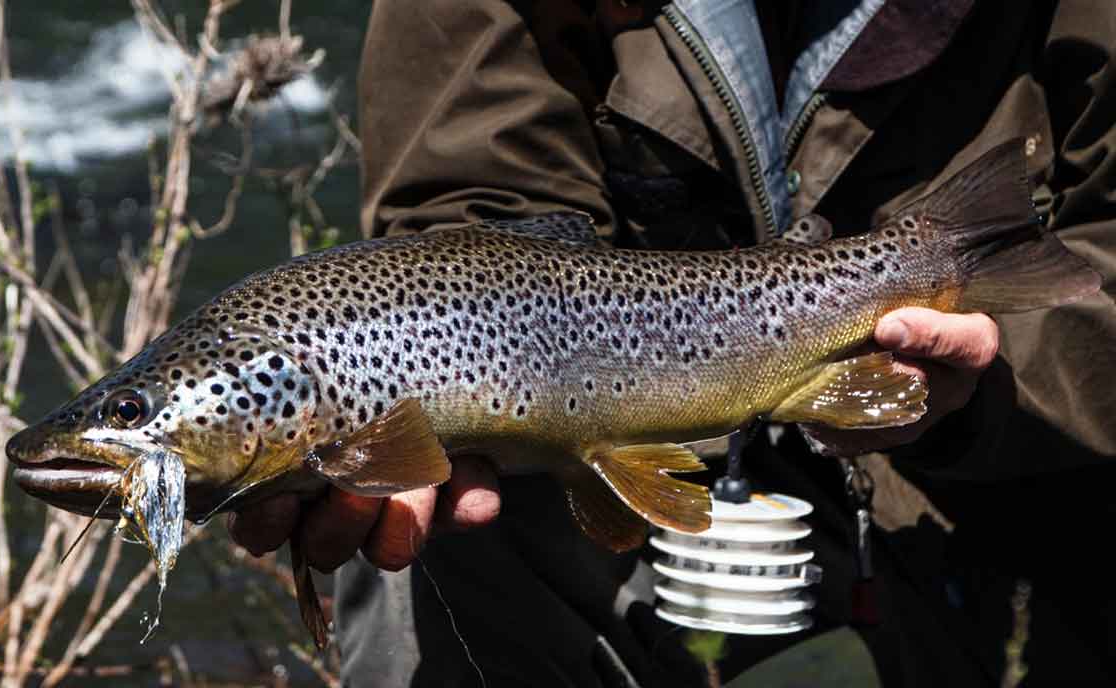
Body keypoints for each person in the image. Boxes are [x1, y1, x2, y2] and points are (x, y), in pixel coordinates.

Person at [229, 1, 1116, 685]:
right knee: (407, 546)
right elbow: (474, 213)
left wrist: (987, 385)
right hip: (630, 433)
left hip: (1006, 488)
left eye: (134, 416)